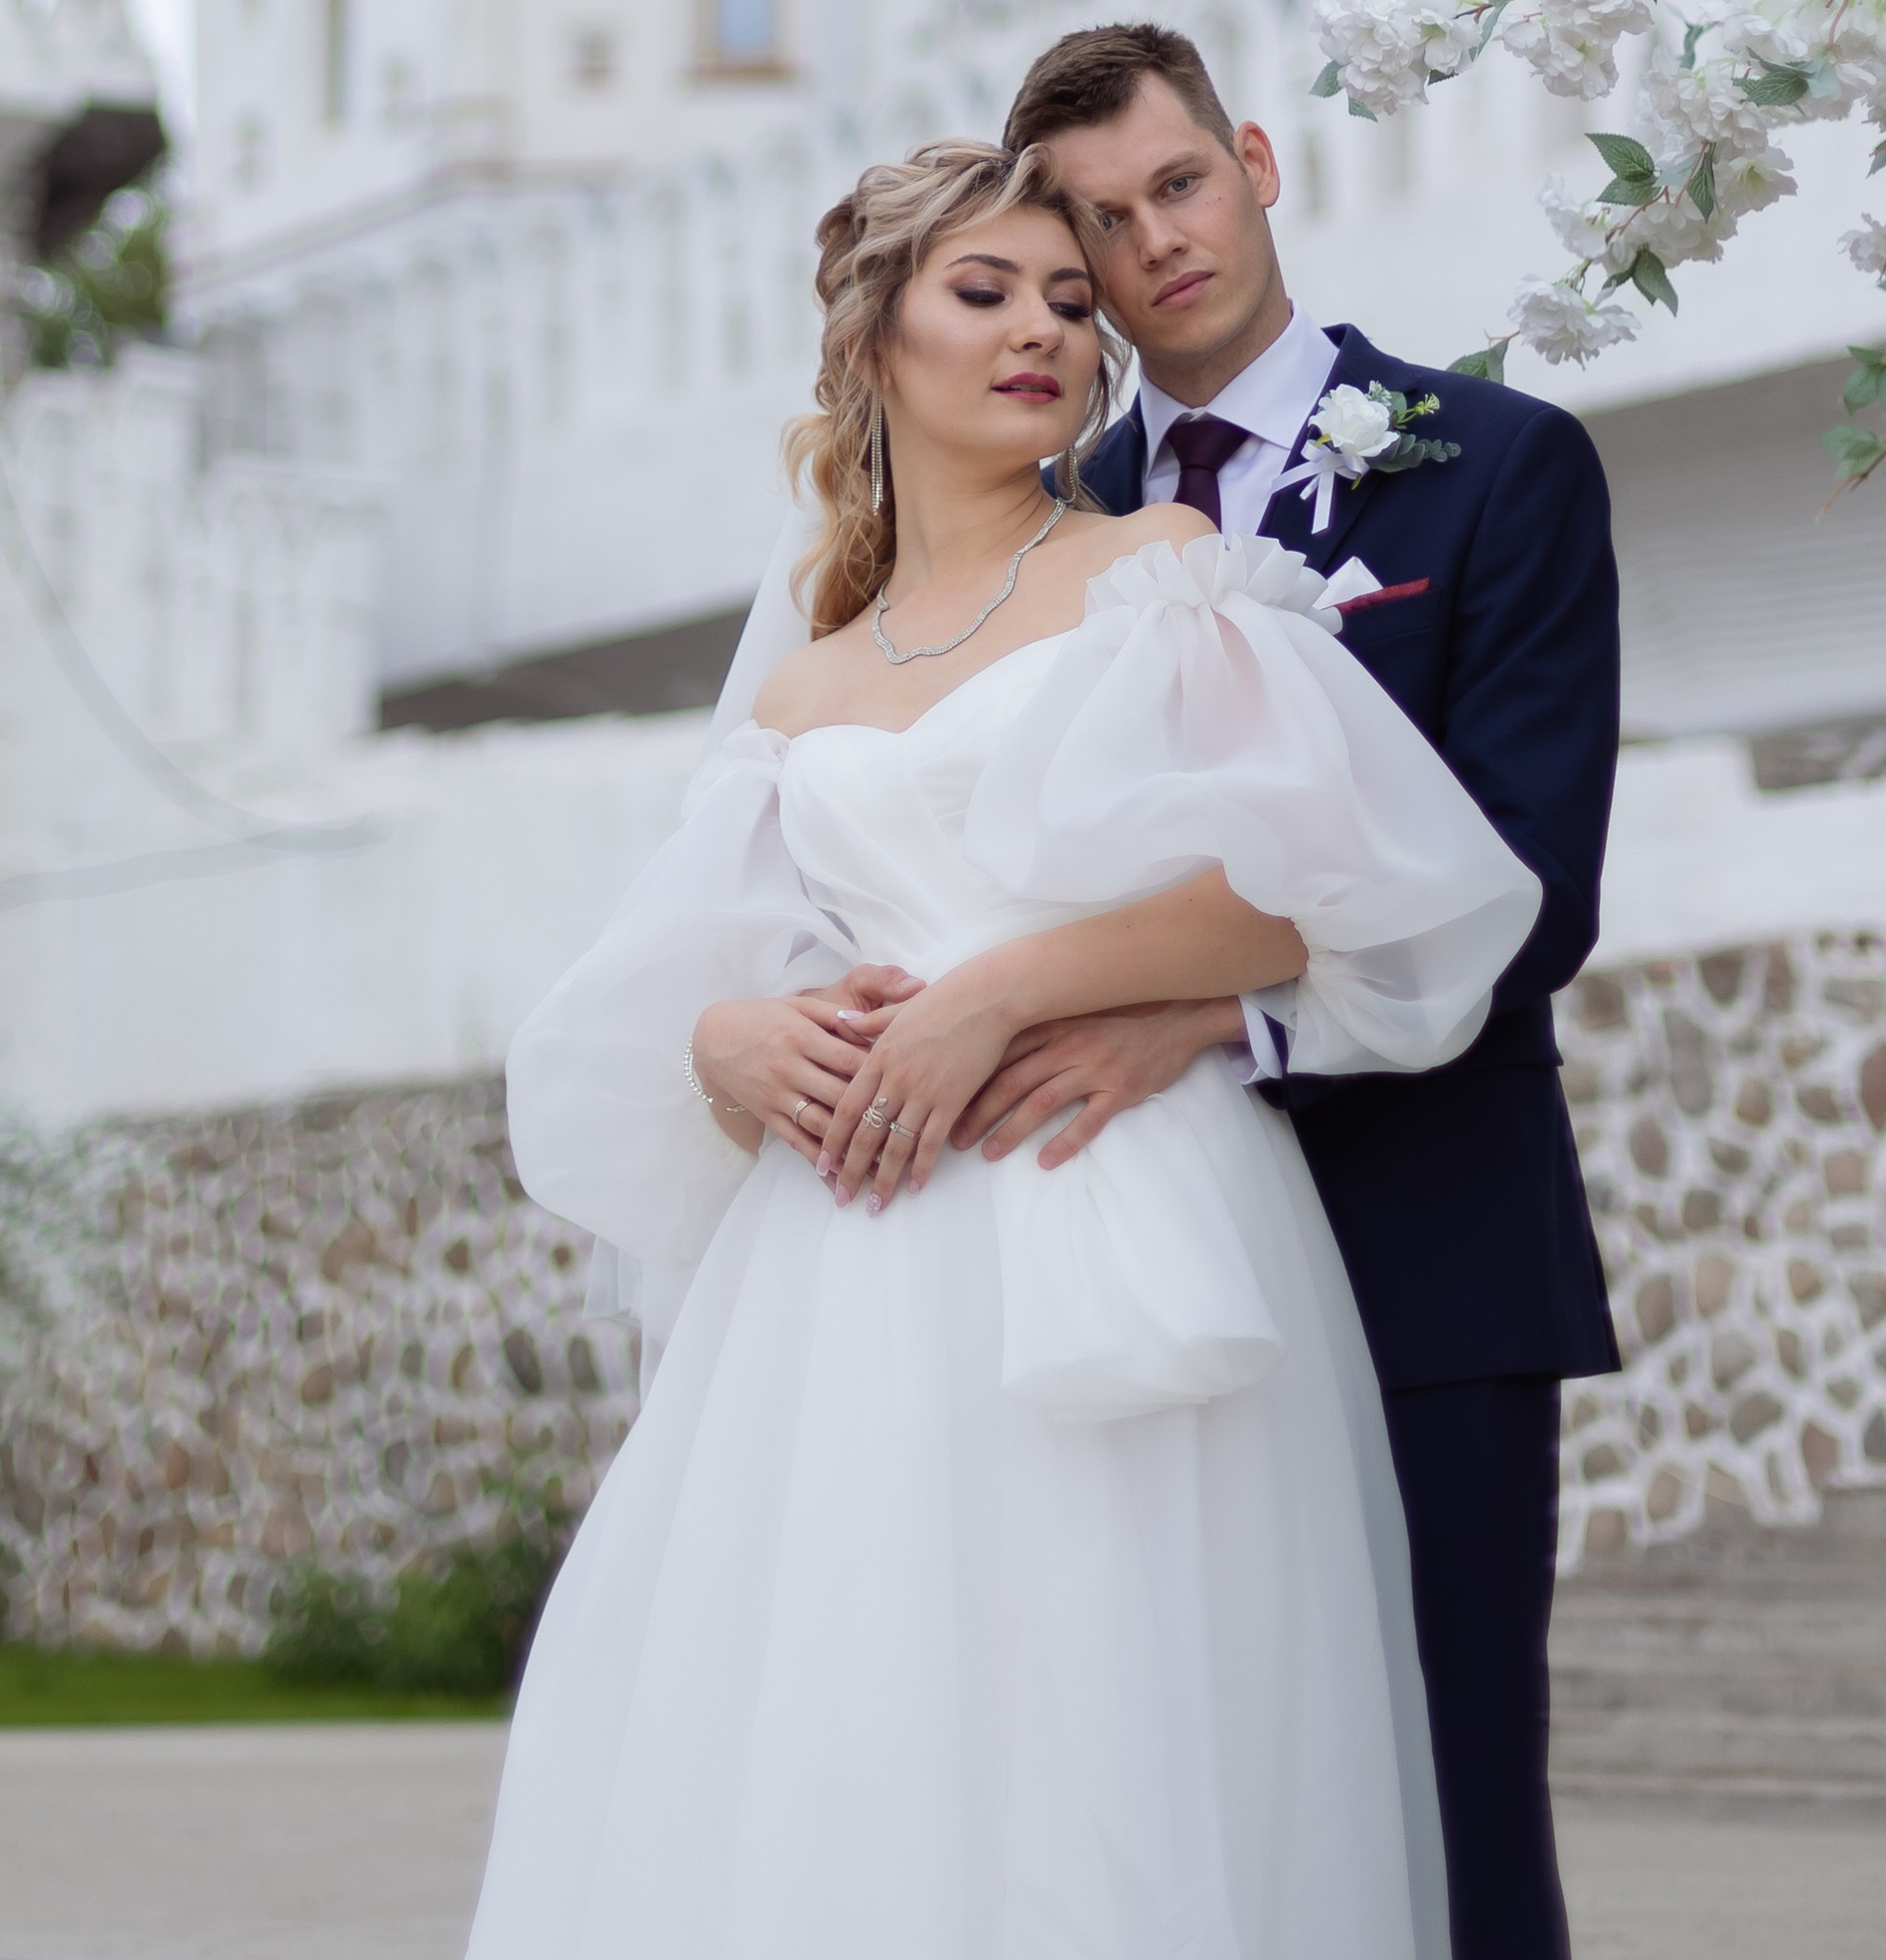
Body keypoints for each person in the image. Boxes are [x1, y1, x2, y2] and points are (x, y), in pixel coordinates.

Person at [465, 138, 1542, 1960]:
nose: (1043, 331)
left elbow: (1313, 896)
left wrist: (1001, 992)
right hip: (852, 1270)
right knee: (855, 1724)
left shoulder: (1161, 568)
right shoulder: (807, 670)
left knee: (1126, 1711)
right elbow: (685, 978)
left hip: (1111, 1188)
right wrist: (731, 1037)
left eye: (1068, 302)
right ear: (871, 335)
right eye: (984, 292)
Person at [989, 22, 1623, 1960]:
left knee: (1441, 1805)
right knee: (1171, 1808)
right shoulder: (1033, 535)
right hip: (1125, 1267)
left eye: (1175, 182)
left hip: (1418, 1257)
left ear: (1253, 160)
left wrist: (1212, 1011)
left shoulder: (1492, 467)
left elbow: (1526, 894)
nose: (1151, 239)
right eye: (1097, 225)